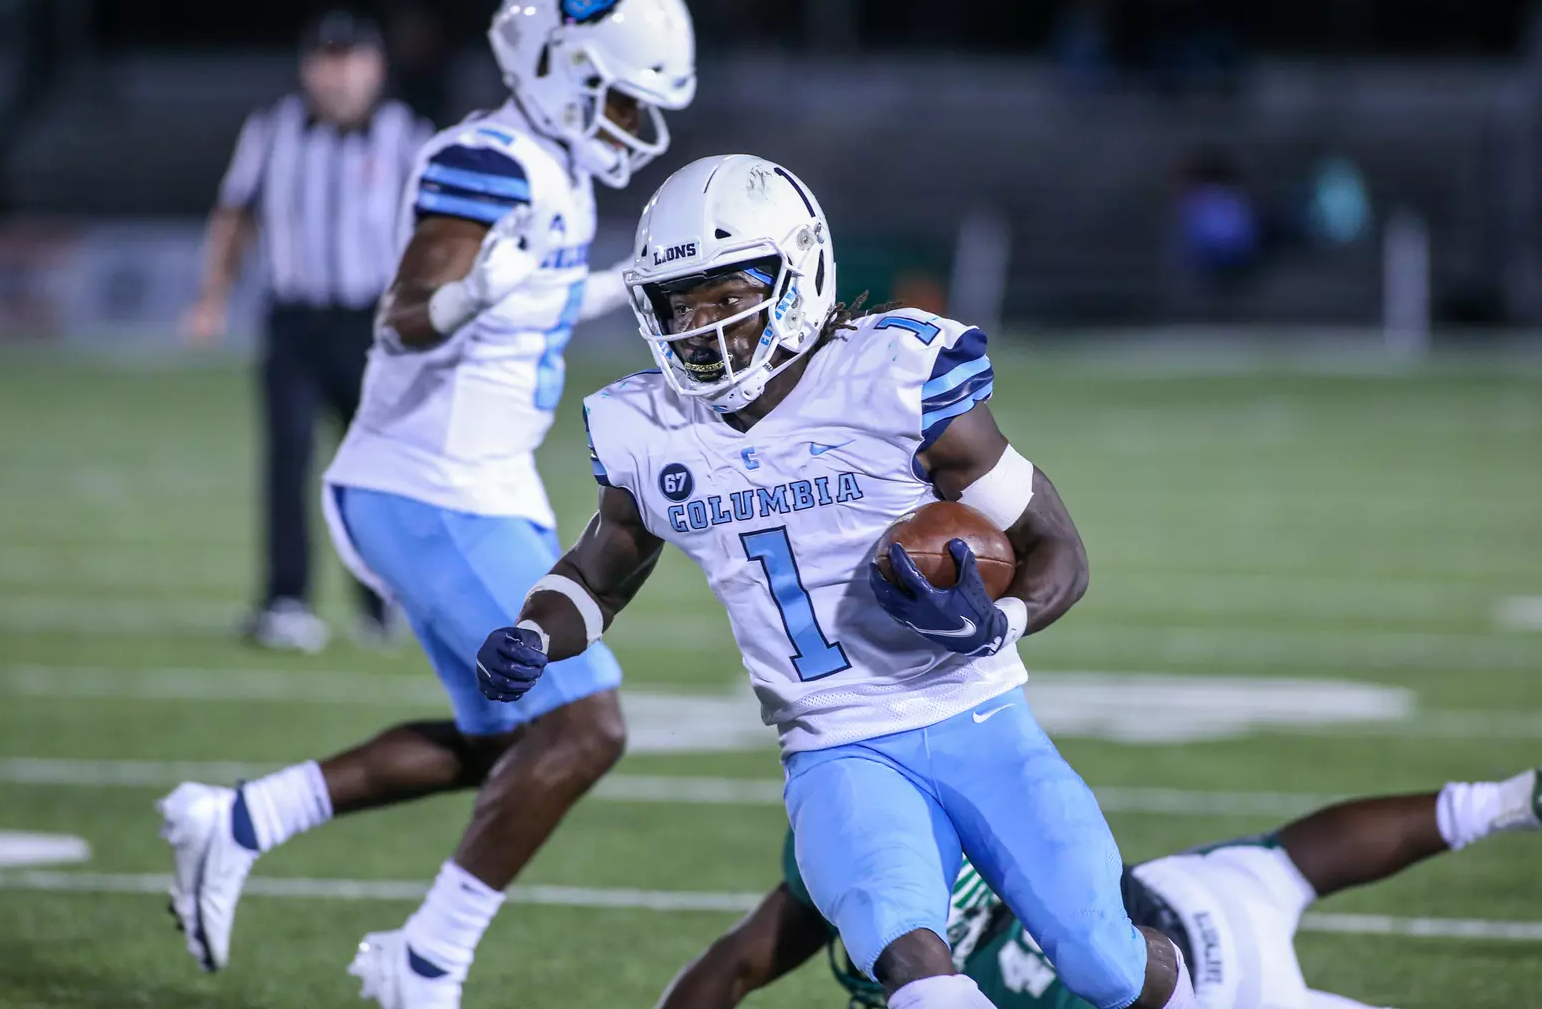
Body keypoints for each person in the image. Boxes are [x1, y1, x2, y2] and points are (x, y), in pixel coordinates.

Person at [476, 154, 1197, 1009]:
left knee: (1106, 965)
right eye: (682, 304)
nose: (703, 327)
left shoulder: (896, 378)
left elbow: (1056, 548)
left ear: (799, 275)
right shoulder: (648, 426)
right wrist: (533, 630)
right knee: (912, 966)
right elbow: (600, 574)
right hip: (833, 746)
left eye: (727, 296)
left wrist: (997, 622)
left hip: (979, 718)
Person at [156, 0, 697, 1009]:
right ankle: (427, 960)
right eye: (622, 99)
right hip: (429, 482)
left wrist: (613, 287)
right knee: (586, 726)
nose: (634, 126)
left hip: (480, 479)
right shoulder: (489, 159)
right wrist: (473, 296)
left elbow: (531, 299)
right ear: (560, 68)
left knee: (508, 740)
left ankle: (238, 820)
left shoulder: (557, 165)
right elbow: (404, 316)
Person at [654, 724, 1542, 1009]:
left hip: (1197, 992)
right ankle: (1510, 800)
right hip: (1194, 897)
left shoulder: (879, 872)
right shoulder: (974, 803)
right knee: (1284, 862)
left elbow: (734, 965)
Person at [183, 9, 434, 652]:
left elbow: (439, 232)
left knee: (376, 470)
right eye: (327, 60)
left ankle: (382, 602)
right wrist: (212, 298)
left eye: (350, 60)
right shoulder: (272, 130)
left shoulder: (409, 136)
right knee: (288, 461)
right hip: (294, 321)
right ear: (307, 68)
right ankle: (285, 602)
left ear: (376, 68)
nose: (338, 75)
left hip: (375, 327)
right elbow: (235, 215)